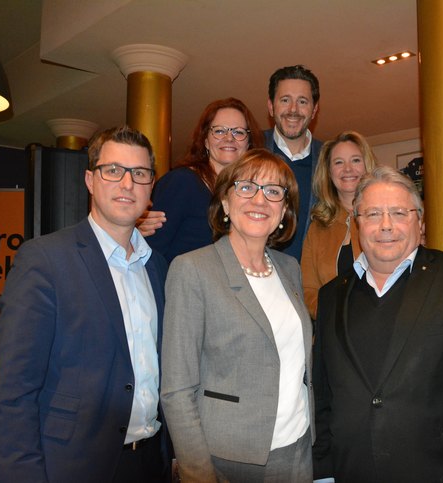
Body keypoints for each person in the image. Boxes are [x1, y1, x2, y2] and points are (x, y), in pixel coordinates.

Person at [313, 165, 443, 482]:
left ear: (419, 223)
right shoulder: (330, 297)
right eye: (372, 214)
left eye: (398, 213)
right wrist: (323, 473)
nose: (385, 225)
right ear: (356, 224)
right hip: (350, 472)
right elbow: (324, 398)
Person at [0, 126, 172, 483]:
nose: (127, 184)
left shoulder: (158, 267)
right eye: (113, 170)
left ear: (151, 186)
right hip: (74, 466)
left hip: (152, 463)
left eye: (140, 173)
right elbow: (14, 392)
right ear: (90, 179)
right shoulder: (44, 259)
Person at [161, 148, 314, 482]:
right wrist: (198, 473)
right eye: (246, 187)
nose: (260, 200)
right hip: (229, 459)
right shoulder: (192, 269)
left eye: (274, 192)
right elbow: (176, 390)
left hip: (298, 449)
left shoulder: (289, 269)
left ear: (284, 210)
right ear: (226, 203)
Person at [142, 97, 263, 263]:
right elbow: (149, 253)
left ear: (249, 144)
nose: (229, 138)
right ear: (206, 140)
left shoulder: (250, 195)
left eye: (239, 132)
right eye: (219, 131)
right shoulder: (181, 182)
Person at [300, 130, 377, 319]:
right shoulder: (317, 228)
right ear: (329, 172)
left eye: (356, 160)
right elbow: (308, 290)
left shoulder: (389, 217)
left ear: (367, 165)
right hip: (333, 334)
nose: (348, 169)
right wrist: (335, 315)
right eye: (338, 162)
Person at [265, 65, 322, 261]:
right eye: (285, 100)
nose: (293, 110)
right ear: (271, 106)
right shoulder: (249, 150)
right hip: (253, 279)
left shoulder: (330, 160)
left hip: (311, 285)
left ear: (314, 110)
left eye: (302, 101)